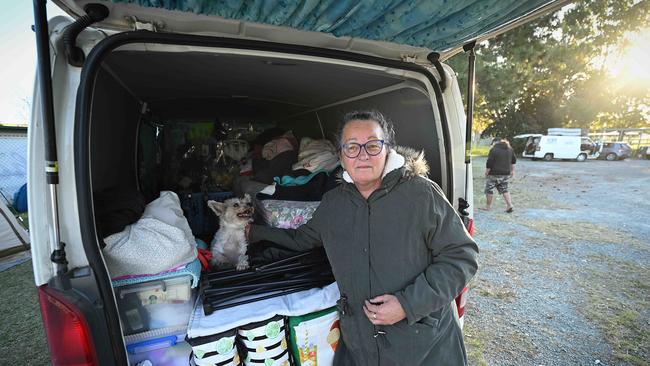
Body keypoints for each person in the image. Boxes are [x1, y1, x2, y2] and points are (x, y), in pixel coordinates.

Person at [247, 110, 478, 365]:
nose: (363, 155)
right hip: (360, 344)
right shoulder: (334, 204)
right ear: (341, 157)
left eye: (372, 145)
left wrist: (407, 304)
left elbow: (461, 257)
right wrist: (251, 233)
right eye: (352, 147)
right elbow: (302, 239)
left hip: (424, 345)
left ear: (387, 150)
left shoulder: (421, 194)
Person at [483, 138, 516, 212]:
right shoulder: (510, 149)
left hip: (494, 174)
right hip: (505, 173)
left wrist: (487, 171)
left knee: (489, 189)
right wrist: (513, 171)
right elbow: (513, 161)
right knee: (505, 189)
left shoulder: (494, 150)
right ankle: (509, 205)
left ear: (495, 143)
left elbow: (489, 162)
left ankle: (488, 207)